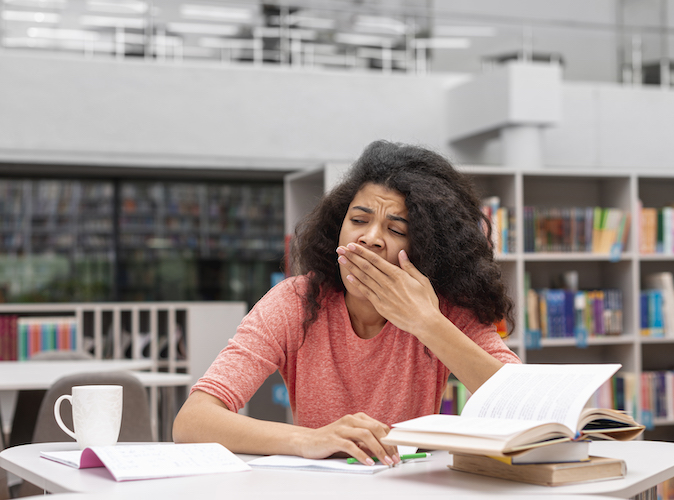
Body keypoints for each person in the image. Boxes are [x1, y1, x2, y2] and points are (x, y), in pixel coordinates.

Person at [173, 140, 521, 467]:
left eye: (396, 229)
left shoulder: (445, 308)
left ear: (428, 249)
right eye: (358, 220)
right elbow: (193, 421)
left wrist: (427, 323)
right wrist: (308, 439)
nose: (370, 238)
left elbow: (523, 403)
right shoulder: (296, 301)